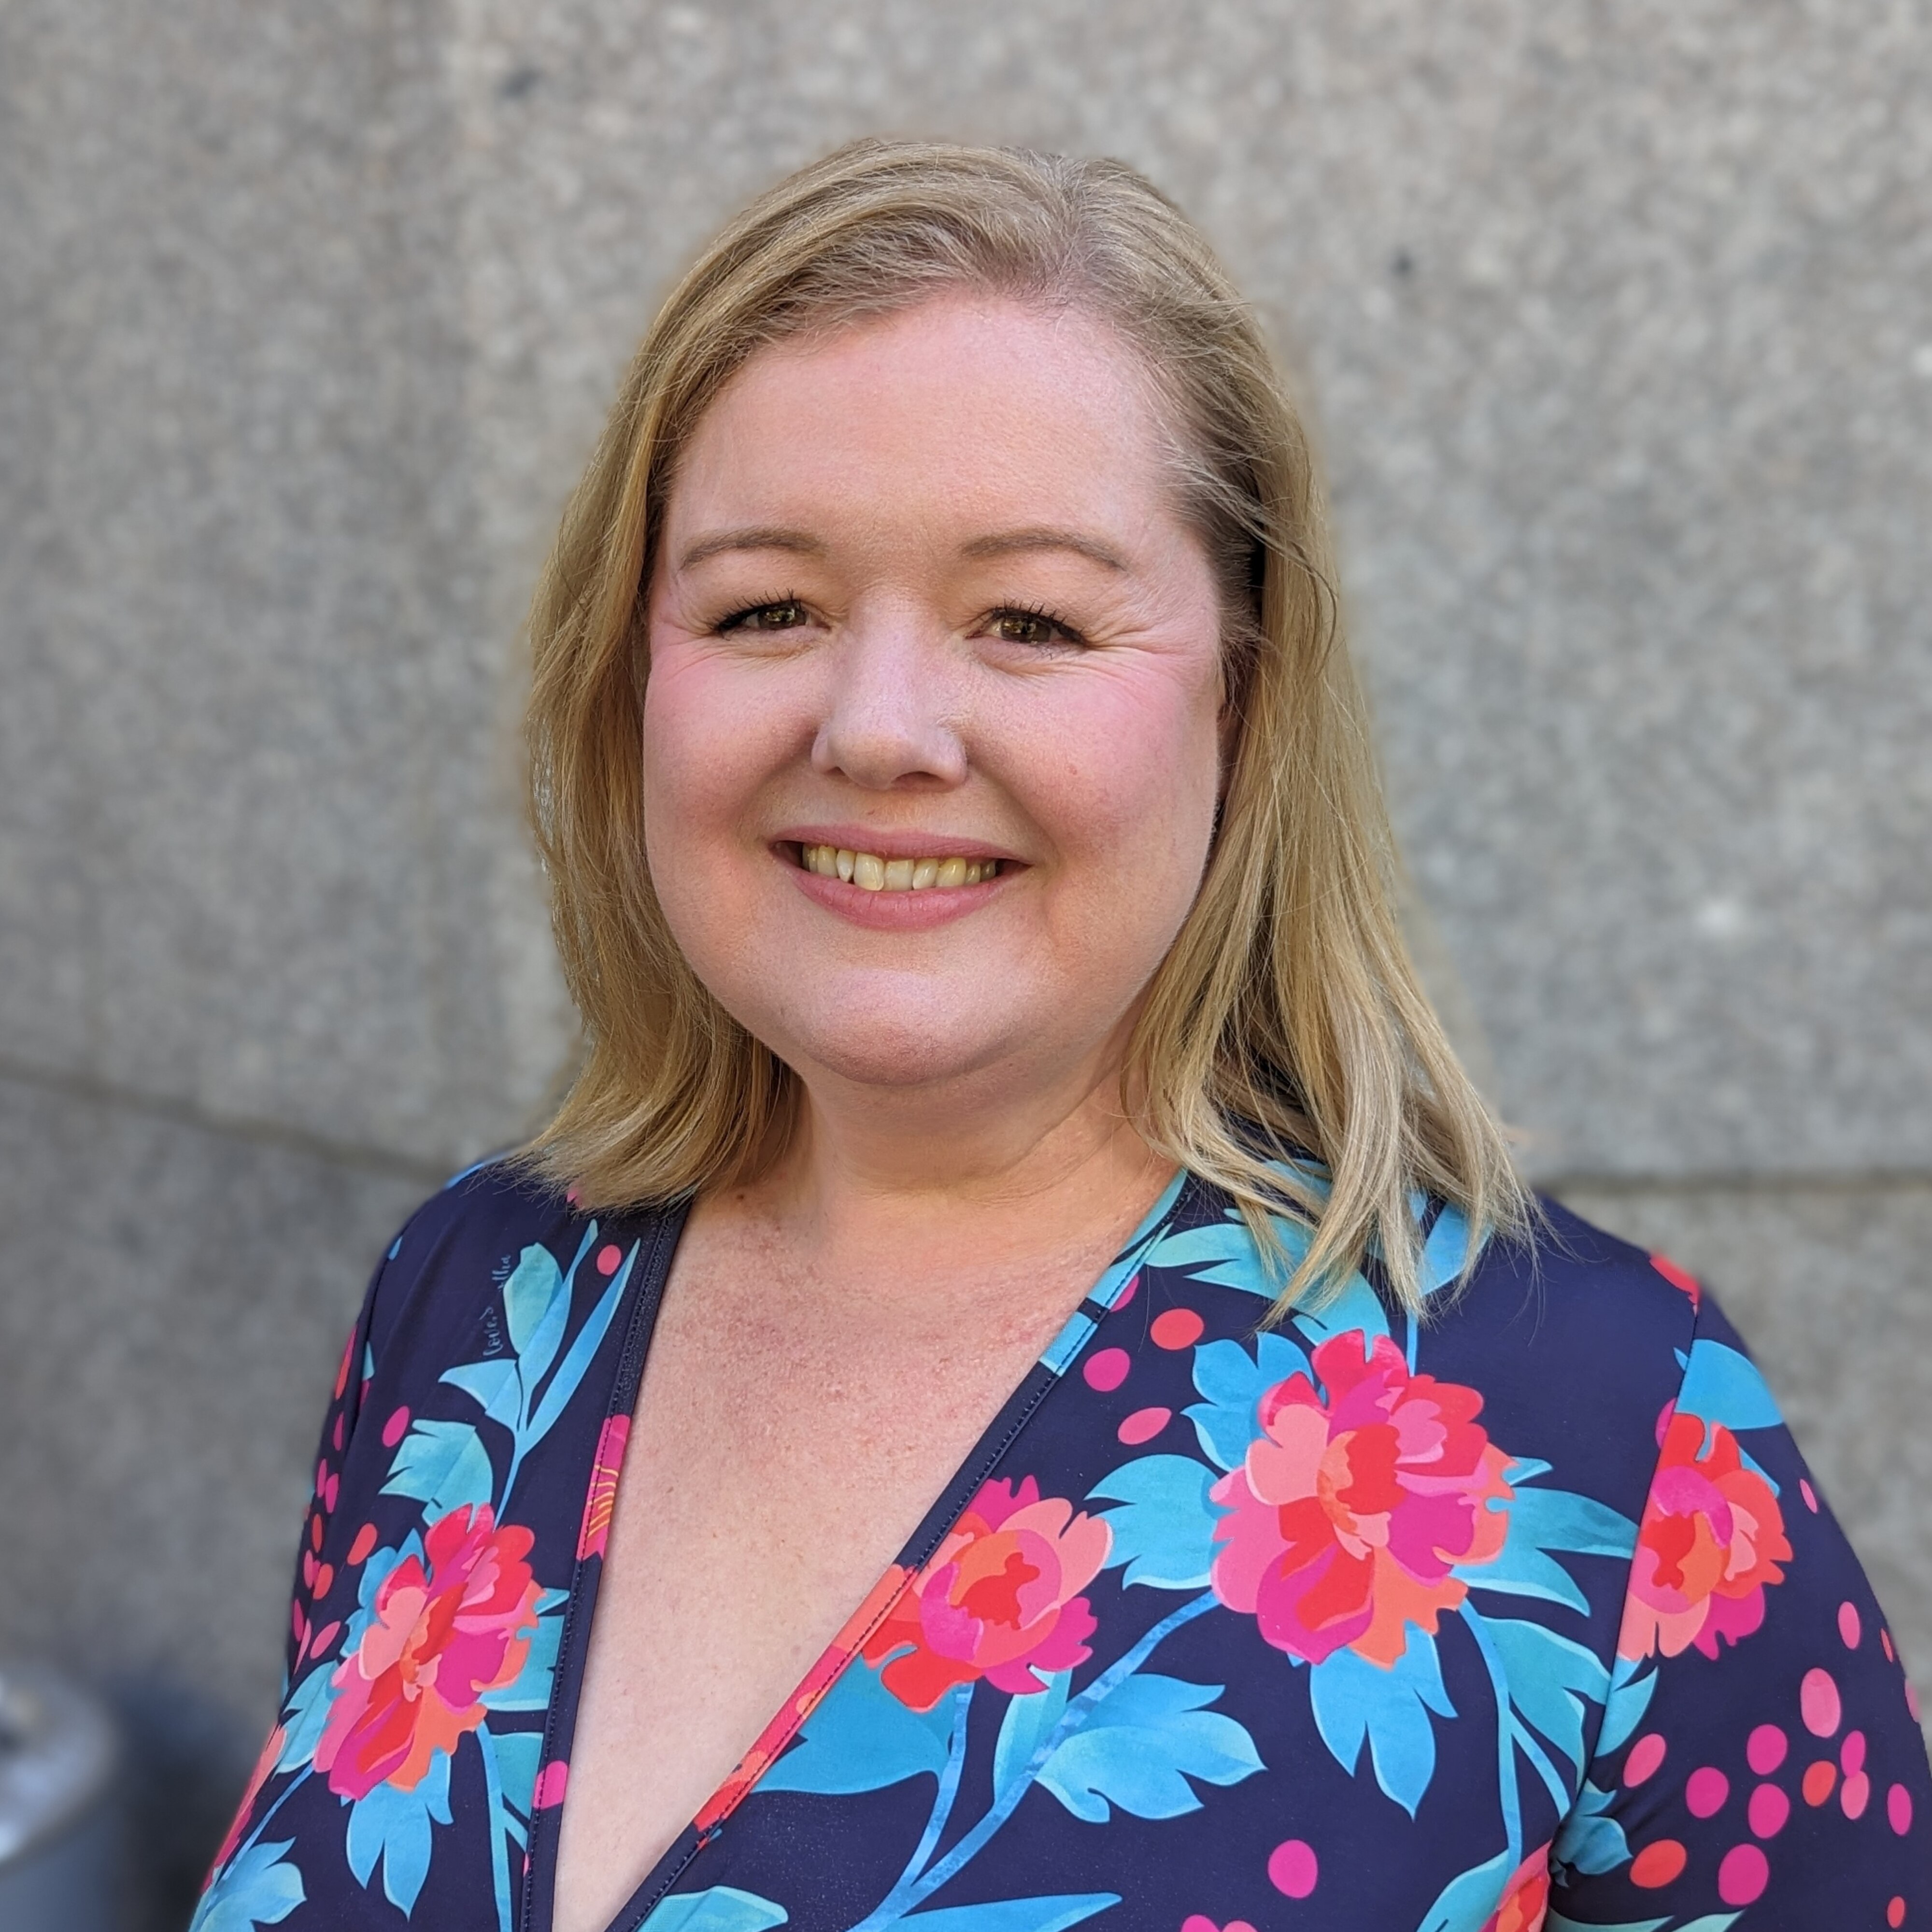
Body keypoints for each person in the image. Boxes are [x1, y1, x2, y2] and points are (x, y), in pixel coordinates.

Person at [193, 141, 1930, 1932]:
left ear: (1242, 706)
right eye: (764, 607)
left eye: (1029, 620)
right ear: (634, 673)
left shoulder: (1596, 1424)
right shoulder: (475, 1298)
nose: (877, 728)